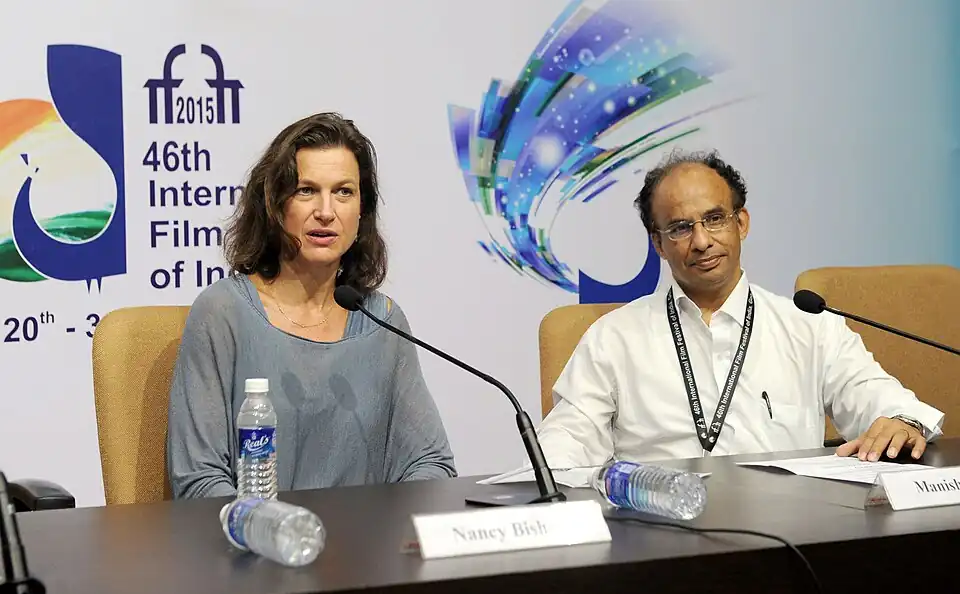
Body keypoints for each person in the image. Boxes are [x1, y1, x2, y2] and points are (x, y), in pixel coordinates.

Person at [536, 149, 944, 468]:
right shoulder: (614, 337)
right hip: (658, 539)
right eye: (680, 228)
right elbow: (566, 443)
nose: (701, 241)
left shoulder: (809, 327)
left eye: (714, 219)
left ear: (741, 223)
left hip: (791, 538)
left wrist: (901, 422)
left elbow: (878, 399)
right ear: (658, 244)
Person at [166, 112, 457, 499]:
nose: (326, 211)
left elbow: (431, 463)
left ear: (362, 212)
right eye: (306, 190)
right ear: (275, 204)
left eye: (344, 192)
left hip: (365, 551)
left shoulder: (381, 322)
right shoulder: (223, 313)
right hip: (257, 549)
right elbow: (199, 480)